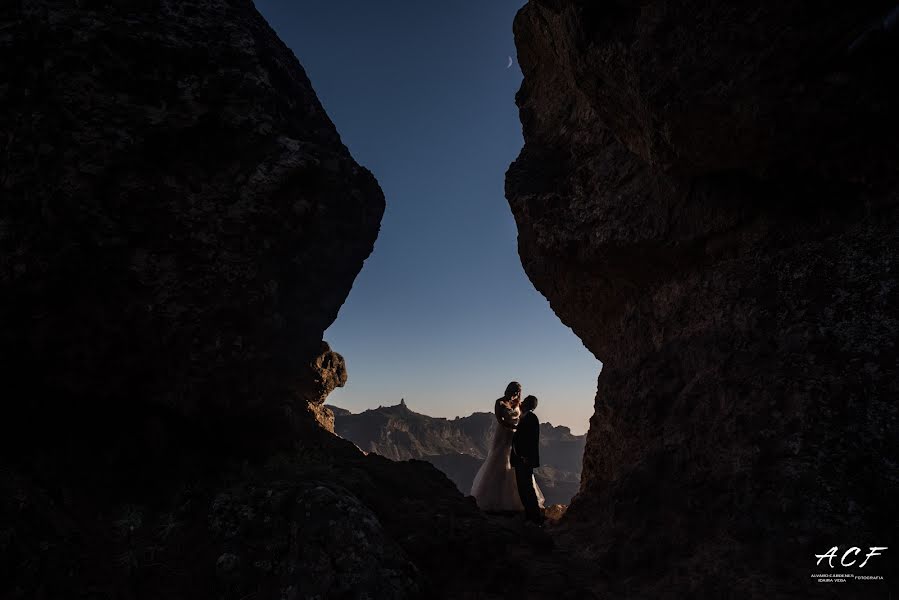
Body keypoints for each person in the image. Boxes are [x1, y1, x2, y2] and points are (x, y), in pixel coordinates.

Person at [470, 382, 544, 514]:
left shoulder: (518, 404)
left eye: (518, 392)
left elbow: (527, 412)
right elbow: (500, 420)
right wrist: (515, 428)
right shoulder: (499, 403)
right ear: (509, 390)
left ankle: (521, 503)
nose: (516, 395)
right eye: (514, 391)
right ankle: (496, 500)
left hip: (516, 437)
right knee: (499, 461)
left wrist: (519, 429)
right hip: (504, 435)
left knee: (514, 466)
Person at [511, 394, 544, 525]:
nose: (522, 402)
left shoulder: (531, 418)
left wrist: (525, 456)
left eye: (524, 401)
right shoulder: (526, 417)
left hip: (525, 459)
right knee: (523, 488)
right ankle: (530, 516)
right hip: (520, 458)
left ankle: (535, 518)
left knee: (527, 488)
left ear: (528, 405)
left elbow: (530, 440)